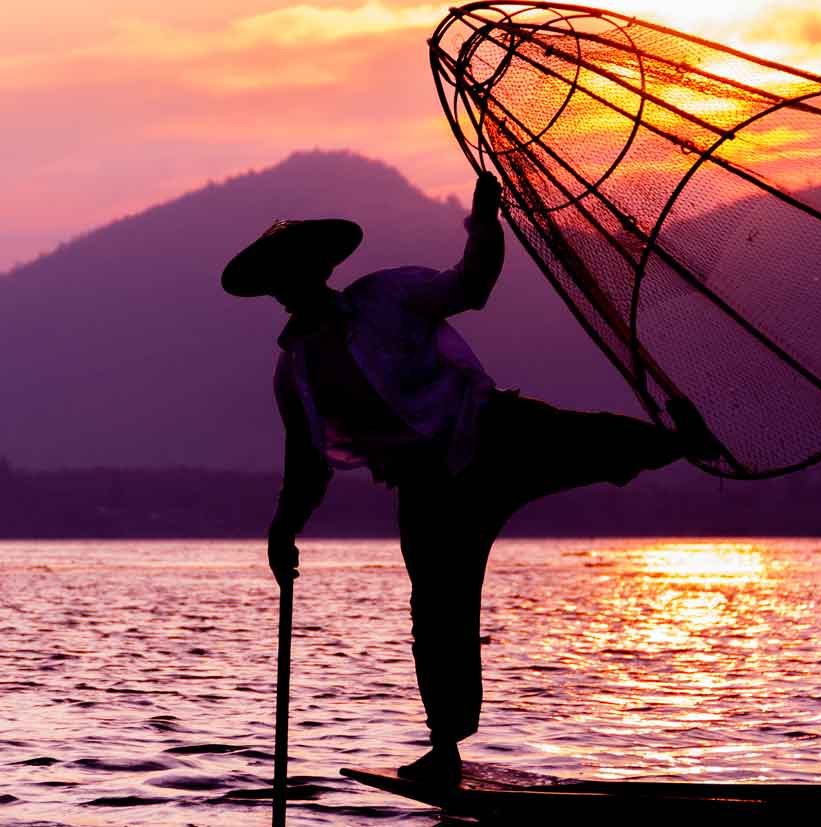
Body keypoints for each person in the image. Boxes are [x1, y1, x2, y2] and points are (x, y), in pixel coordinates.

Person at [221, 174, 721, 785]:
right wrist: (283, 530)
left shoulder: (385, 295)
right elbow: (305, 464)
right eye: (280, 278)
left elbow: (470, 285)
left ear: (321, 267)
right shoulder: (294, 371)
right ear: (274, 290)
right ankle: (446, 745)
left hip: (490, 432)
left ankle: (680, 443)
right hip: (428, 487)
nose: (290, 285)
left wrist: (485, 220)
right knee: (437, 613)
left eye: (298, 269)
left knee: (592, 441)